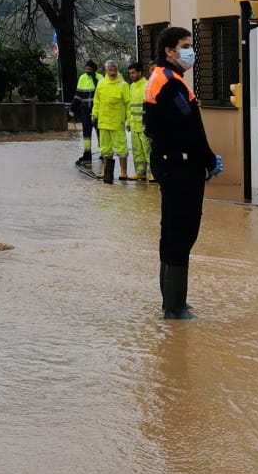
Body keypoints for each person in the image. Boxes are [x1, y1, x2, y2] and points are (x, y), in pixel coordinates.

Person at [143, 25, 218, 320]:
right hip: (180, 165)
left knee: (172, 232)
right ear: (169, 51)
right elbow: (189, 130)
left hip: (170, 162)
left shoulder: (162, 78)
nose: (191, 51)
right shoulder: (170, 84)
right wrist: (210, 161)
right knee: (182, 233)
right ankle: (174, 308)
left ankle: (173, 303)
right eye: (186, 45)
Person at [92, 60, 130, 184]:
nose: (112, 73)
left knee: (121, 148)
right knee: (105, 149)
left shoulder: (123, 85)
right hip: (103, 122)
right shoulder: (101, 83)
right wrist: (95, 114)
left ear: (117, 70)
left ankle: (123, 171)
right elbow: (97, 100)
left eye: (114, 70)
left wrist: (128, 120)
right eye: (110, 70)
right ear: (106, 70)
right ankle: (107, 172)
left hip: (117, 123)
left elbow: (128, 104)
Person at [71, 58, 100, 168]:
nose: (87, 70)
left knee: (100, 133)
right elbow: (78, 95)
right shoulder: (82, 78)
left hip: (97, 110)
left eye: (89, 69)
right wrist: (72, 107)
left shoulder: (99, 79)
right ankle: (87, 154)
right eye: (86, 68)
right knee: (86, 134)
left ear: (93, 69)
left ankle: (104, 153)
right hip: (85, 110)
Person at [127, 61, 152, 181]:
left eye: (133, 73)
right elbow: (130, 106)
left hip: (143, 125)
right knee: (137, 150)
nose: (131, 75)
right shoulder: (131, 87)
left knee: (147, 149)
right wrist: (128, 122)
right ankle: (140, 172)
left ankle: (152, 173)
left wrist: (147, 124)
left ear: (140, 73)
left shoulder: (147, 85)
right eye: (130, 73)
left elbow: (149, 107)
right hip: (134, 124)